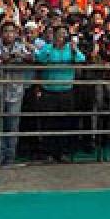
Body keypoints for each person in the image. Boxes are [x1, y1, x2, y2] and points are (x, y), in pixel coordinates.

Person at [33, 26, 86, 162]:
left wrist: (74, 50)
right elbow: (40, 59)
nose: (63, 36)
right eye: (60, 34)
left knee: (65, 122)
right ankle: (48, 153)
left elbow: (81, 59)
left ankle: (63, 152)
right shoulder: (48, 47)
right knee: (48, 123)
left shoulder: (71, 48)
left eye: (65, 34)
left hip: (66, 90)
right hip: (49, 91)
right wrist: (52, 48)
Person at [0, 21, 31, 166]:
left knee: (13, 124)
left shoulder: (21, 46)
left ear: (16, 33)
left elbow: (31, 58)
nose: (9, 34)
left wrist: (21, 57)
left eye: (12, 31)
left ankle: (10, 156)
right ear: (1, 33)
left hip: (15, 90)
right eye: (6, 31)